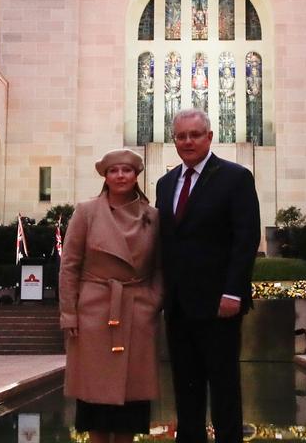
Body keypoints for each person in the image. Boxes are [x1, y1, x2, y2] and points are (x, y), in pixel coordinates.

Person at [156, 109, 260, 443]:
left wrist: (233, 292)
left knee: (224, 386)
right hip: (179, 306)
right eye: (181, 136)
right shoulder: (165, 183)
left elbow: (246, 239)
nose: (187, 141)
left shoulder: (235, 177)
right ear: (174, 140)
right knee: (186, 388)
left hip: (219, 304)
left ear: (209, 137)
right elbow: (166, 242)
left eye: (194, 135)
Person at [60, 148, 163, 443]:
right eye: (114, 171)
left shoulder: (153, 216)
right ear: (105, 176)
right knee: (95, 397)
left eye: (127, 170)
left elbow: (160, 267)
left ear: (137, 175)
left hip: (136, 310)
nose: (120, 176)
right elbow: (69, 265)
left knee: (132, 399)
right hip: (94, 313)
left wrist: (153, 302)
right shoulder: (86, 212)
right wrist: (69, 312)